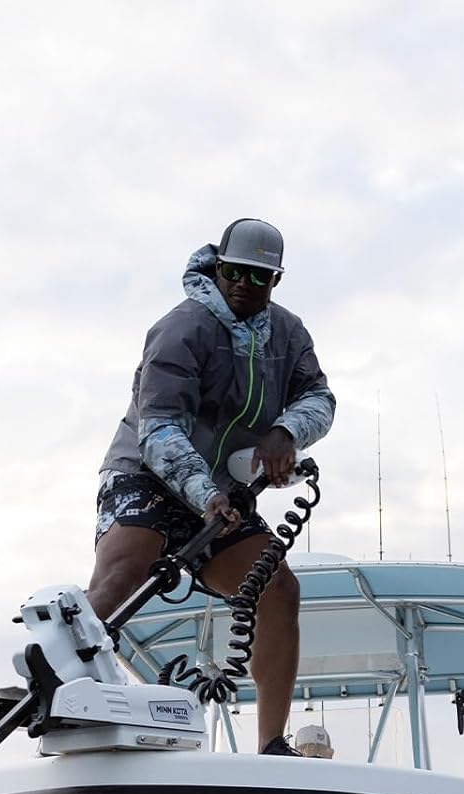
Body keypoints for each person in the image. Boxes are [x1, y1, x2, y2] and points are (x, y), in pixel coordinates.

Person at [88, 218, 336, 755]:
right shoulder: (180, 329)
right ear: (218, 266)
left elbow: (320, 398)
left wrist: (286, 432)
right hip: (146, 474)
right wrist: (206, 495)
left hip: (224, 496)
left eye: (260, 277)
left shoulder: (289, 333)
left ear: (276, 280)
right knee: (125, 571)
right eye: (236, 272)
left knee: (278, 587)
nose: (245, 284)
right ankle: (58, 684)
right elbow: (159, 429)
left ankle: (272, 745)